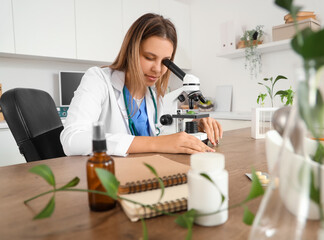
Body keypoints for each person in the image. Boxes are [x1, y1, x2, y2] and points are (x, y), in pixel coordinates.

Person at [60, 13, 223, 156]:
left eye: (165, 62)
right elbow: (72, 140)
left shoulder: (153, 95)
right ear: (131, 51)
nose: (158, 69)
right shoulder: (98, 79)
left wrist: (194, 127)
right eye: (149, 58)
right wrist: (154, 143)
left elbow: (165, 136)